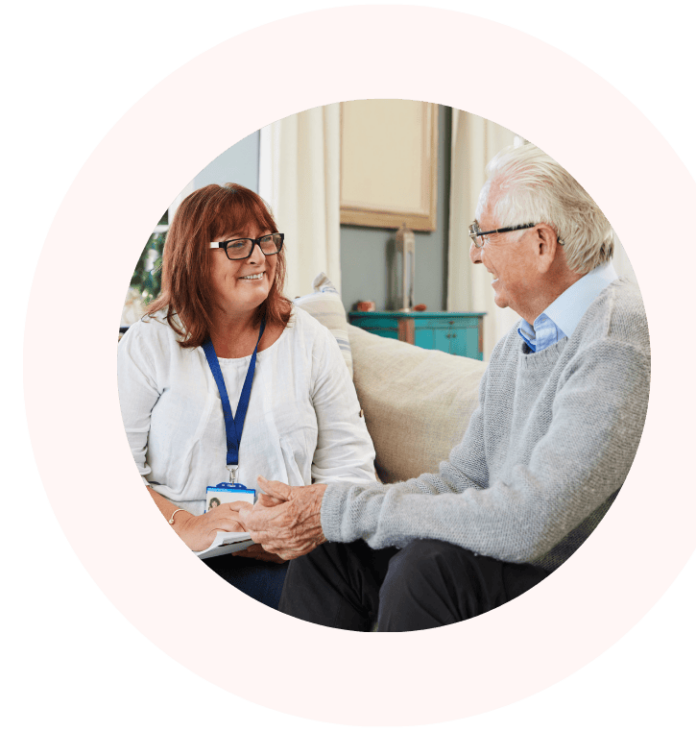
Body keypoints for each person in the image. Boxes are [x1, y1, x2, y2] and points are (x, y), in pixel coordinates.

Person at [238, 144, 651, 632]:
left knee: (428, 571)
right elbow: (460, 480)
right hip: (516, 563)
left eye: (484, 235)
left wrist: (338, 508)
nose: (476, 254)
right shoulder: (520, 343)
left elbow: (527, 521)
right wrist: (331, 513)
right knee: (333, 554)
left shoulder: (618, 337)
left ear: (542, 243)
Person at [117, 183, 376, 609]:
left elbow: (352, 473)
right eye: (237, 244)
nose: (259, 257)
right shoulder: (149, 343)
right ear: (193, 258)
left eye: (266, 240)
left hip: (292, 559)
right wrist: (185, 525)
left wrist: (300, 528)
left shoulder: (309, 339)